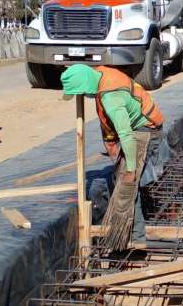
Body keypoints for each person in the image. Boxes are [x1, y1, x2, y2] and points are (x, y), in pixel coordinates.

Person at [60, 64, 164, 241]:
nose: (83, 96)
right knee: (121, 176)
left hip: (145, 128)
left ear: (85, 85)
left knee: (126, 183)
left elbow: (127, 135)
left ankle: (134, 240)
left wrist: (131, 170)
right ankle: (134, 228)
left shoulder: (111, 96)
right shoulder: (100, 75)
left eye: (81, 93)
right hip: (141, 125)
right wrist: (110, 141)